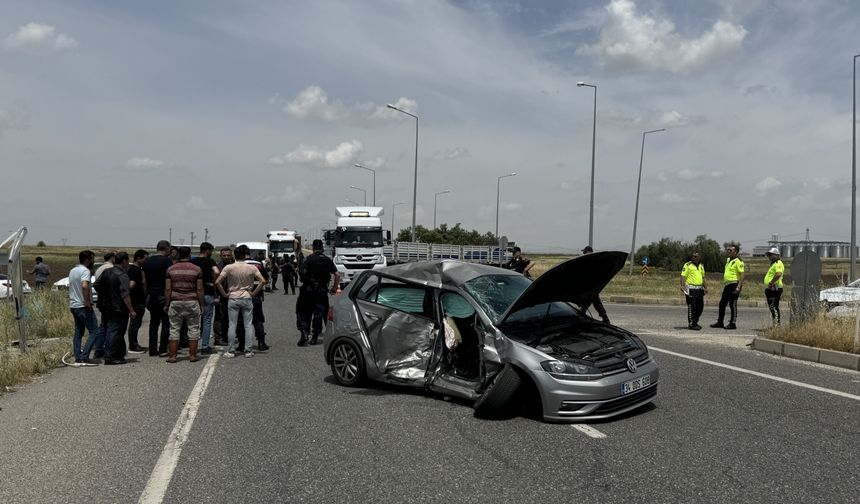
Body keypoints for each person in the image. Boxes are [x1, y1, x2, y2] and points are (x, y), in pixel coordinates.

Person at [216, 245, 266, 358]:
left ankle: (231, 350)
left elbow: (217, 282)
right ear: (245, 256)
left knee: (232, 325)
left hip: (233, 297)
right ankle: (248, 350)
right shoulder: (252, 268)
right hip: (247, 297)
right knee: (248, 324)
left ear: (234, 255)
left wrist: (224, 294)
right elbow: (263, 281)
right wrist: (253, 293)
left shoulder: (229, 267)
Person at [296, 239, 340, 346]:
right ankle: (315, 337)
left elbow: (301, 272)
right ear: (322, 248)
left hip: (307, 289)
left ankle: (304, 332)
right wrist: (334, 288)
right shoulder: (327, 260)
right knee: (318, 313)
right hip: (321, 290)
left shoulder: (308, 259)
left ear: (313, 248)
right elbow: (337, 274)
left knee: (302, 311)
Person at [165, 246, 203, 363]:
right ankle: (192, 355)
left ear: (178, 255)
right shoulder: (197, 269)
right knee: (193, 329)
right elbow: (200, 289)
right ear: (189, 254)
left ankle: (172, 356)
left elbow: (167, 289)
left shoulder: (170, 269)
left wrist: (167, 304)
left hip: (175, 301)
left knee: (174, 329)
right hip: (192, 301)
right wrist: (202, 304)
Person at [98, 252, 137, 365]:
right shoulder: (122, 275)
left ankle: (116, 354)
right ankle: (110, 356)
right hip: (118, 307)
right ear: (124, 261)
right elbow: (125, 294)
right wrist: (131, 310)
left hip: (107, 306)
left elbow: (97, 285)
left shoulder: (106, 272)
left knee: (111, 329)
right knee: (116, 331)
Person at [68, 250, 99, 366]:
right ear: (87, 259)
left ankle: (78, 357)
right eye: (92, 259)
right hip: (83, 306)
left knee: (79, 332)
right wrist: (87, 302)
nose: (93, 261)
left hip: (74, 305)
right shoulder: (85, 271)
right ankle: (84, 357)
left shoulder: (73, 270)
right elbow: (85, 286)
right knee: (95, 331)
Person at [144, 240, 173, 356]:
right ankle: (163, 348)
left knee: (153, 323)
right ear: (166, 248)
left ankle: (152, 349)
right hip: (162, 294)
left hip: (151, 295)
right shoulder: (167, 261)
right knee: (166, 322)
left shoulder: (148, 261)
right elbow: (169, 280)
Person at [192, 242, 218, 355]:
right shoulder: (210, 261)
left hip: (194, 293)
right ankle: (205, 346)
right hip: (207, 292)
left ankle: (192, 346)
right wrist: (214, 282)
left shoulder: (193, 261)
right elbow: (217, 271)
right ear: (207, 250)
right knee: (207, 320)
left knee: (193, 321)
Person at [711, 244, 745, 330]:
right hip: (727, 285)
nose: (728, 251)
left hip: (734, 284)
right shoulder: (728, 260)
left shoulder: (738, 261)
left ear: (736, 252)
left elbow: (742, 274)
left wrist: (739, 286)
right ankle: (720, 322)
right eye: (728, 250)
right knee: (722, 304)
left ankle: (732, 323)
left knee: (732, 304)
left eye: (731, 250)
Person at [579, 246, 610, 324]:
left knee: (591, 302)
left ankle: (580, 316)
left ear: (587, 252)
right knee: (593, 301)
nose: (583, 253)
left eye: (584, 252)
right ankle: (605, 318)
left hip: (591, 286)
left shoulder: (590, 262)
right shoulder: (593, 261)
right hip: (592, 287)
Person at [125, 249, 149, 353]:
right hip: (136, 301)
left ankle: (134, 344)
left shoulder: (135, 269)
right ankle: (133, 346)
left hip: (137, 301)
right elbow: (131, 285)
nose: (146, 261)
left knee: (136, 324)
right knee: (134, 324)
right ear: (138, 258)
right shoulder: (135, 270)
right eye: (145, 259)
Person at [212, 247, 234, 346]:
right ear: (221, 256)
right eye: (224, 255)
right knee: (219, 317)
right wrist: (216, 296)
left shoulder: (234, 266)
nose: (226, 257)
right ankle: (218, 338)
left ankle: (226, 337)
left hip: (232, 296)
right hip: (221, 296)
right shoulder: (218, 267)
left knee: (229, 318)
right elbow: (214, 283)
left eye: (228, 255)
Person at [680, 251, 707, 330]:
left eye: (695, 256)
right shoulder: (687, 265)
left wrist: (706, 287)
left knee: (700, 307)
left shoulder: (701, 266)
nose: (693, 257)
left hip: (699, 289)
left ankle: (695, 321)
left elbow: (703, 278)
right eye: (692, 256)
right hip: (690, 288)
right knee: (692, 306)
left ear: (699, 258)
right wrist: (682, 286)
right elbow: (683, 276)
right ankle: (691, 323)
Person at [764, 247, 784, 326]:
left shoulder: (778, 263)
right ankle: (775, 324)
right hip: (771, 289)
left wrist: (771, 282)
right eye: (768, 255)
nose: (769, 256)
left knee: (774, 307)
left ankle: (776, 325)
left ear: (776, 255)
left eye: (770, 255)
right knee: (772, 307)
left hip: (775, 288)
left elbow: (778, 274)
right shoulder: (773, 264)